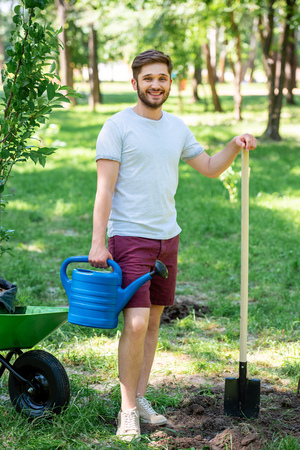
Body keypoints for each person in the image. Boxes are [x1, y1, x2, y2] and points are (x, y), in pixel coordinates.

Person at [89, 49, 257, 441]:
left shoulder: (177, 128)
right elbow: (104, 189)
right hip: (130, 237)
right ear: (135, 83)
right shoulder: (116, 127)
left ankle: (141, 398)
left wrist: (234, 144)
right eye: (148, 78)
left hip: (168, 238)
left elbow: (211, 168)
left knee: (152, 324)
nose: (156, 85)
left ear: (169, 82)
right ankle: (127, 410)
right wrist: (100, 242)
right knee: (135, 321)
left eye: (162, 78)